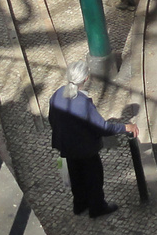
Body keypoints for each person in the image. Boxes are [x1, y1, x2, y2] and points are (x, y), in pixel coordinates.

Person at [48, 59, 130, 218]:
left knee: (75, 177)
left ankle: (79, 205)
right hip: (86, 150)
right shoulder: (83, 103)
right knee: (94, 178)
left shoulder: (57, 94)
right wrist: (125, 127)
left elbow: (52, 119)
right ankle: (97, 207)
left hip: (67, 147)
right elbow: (103, 127)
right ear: (86, 79)